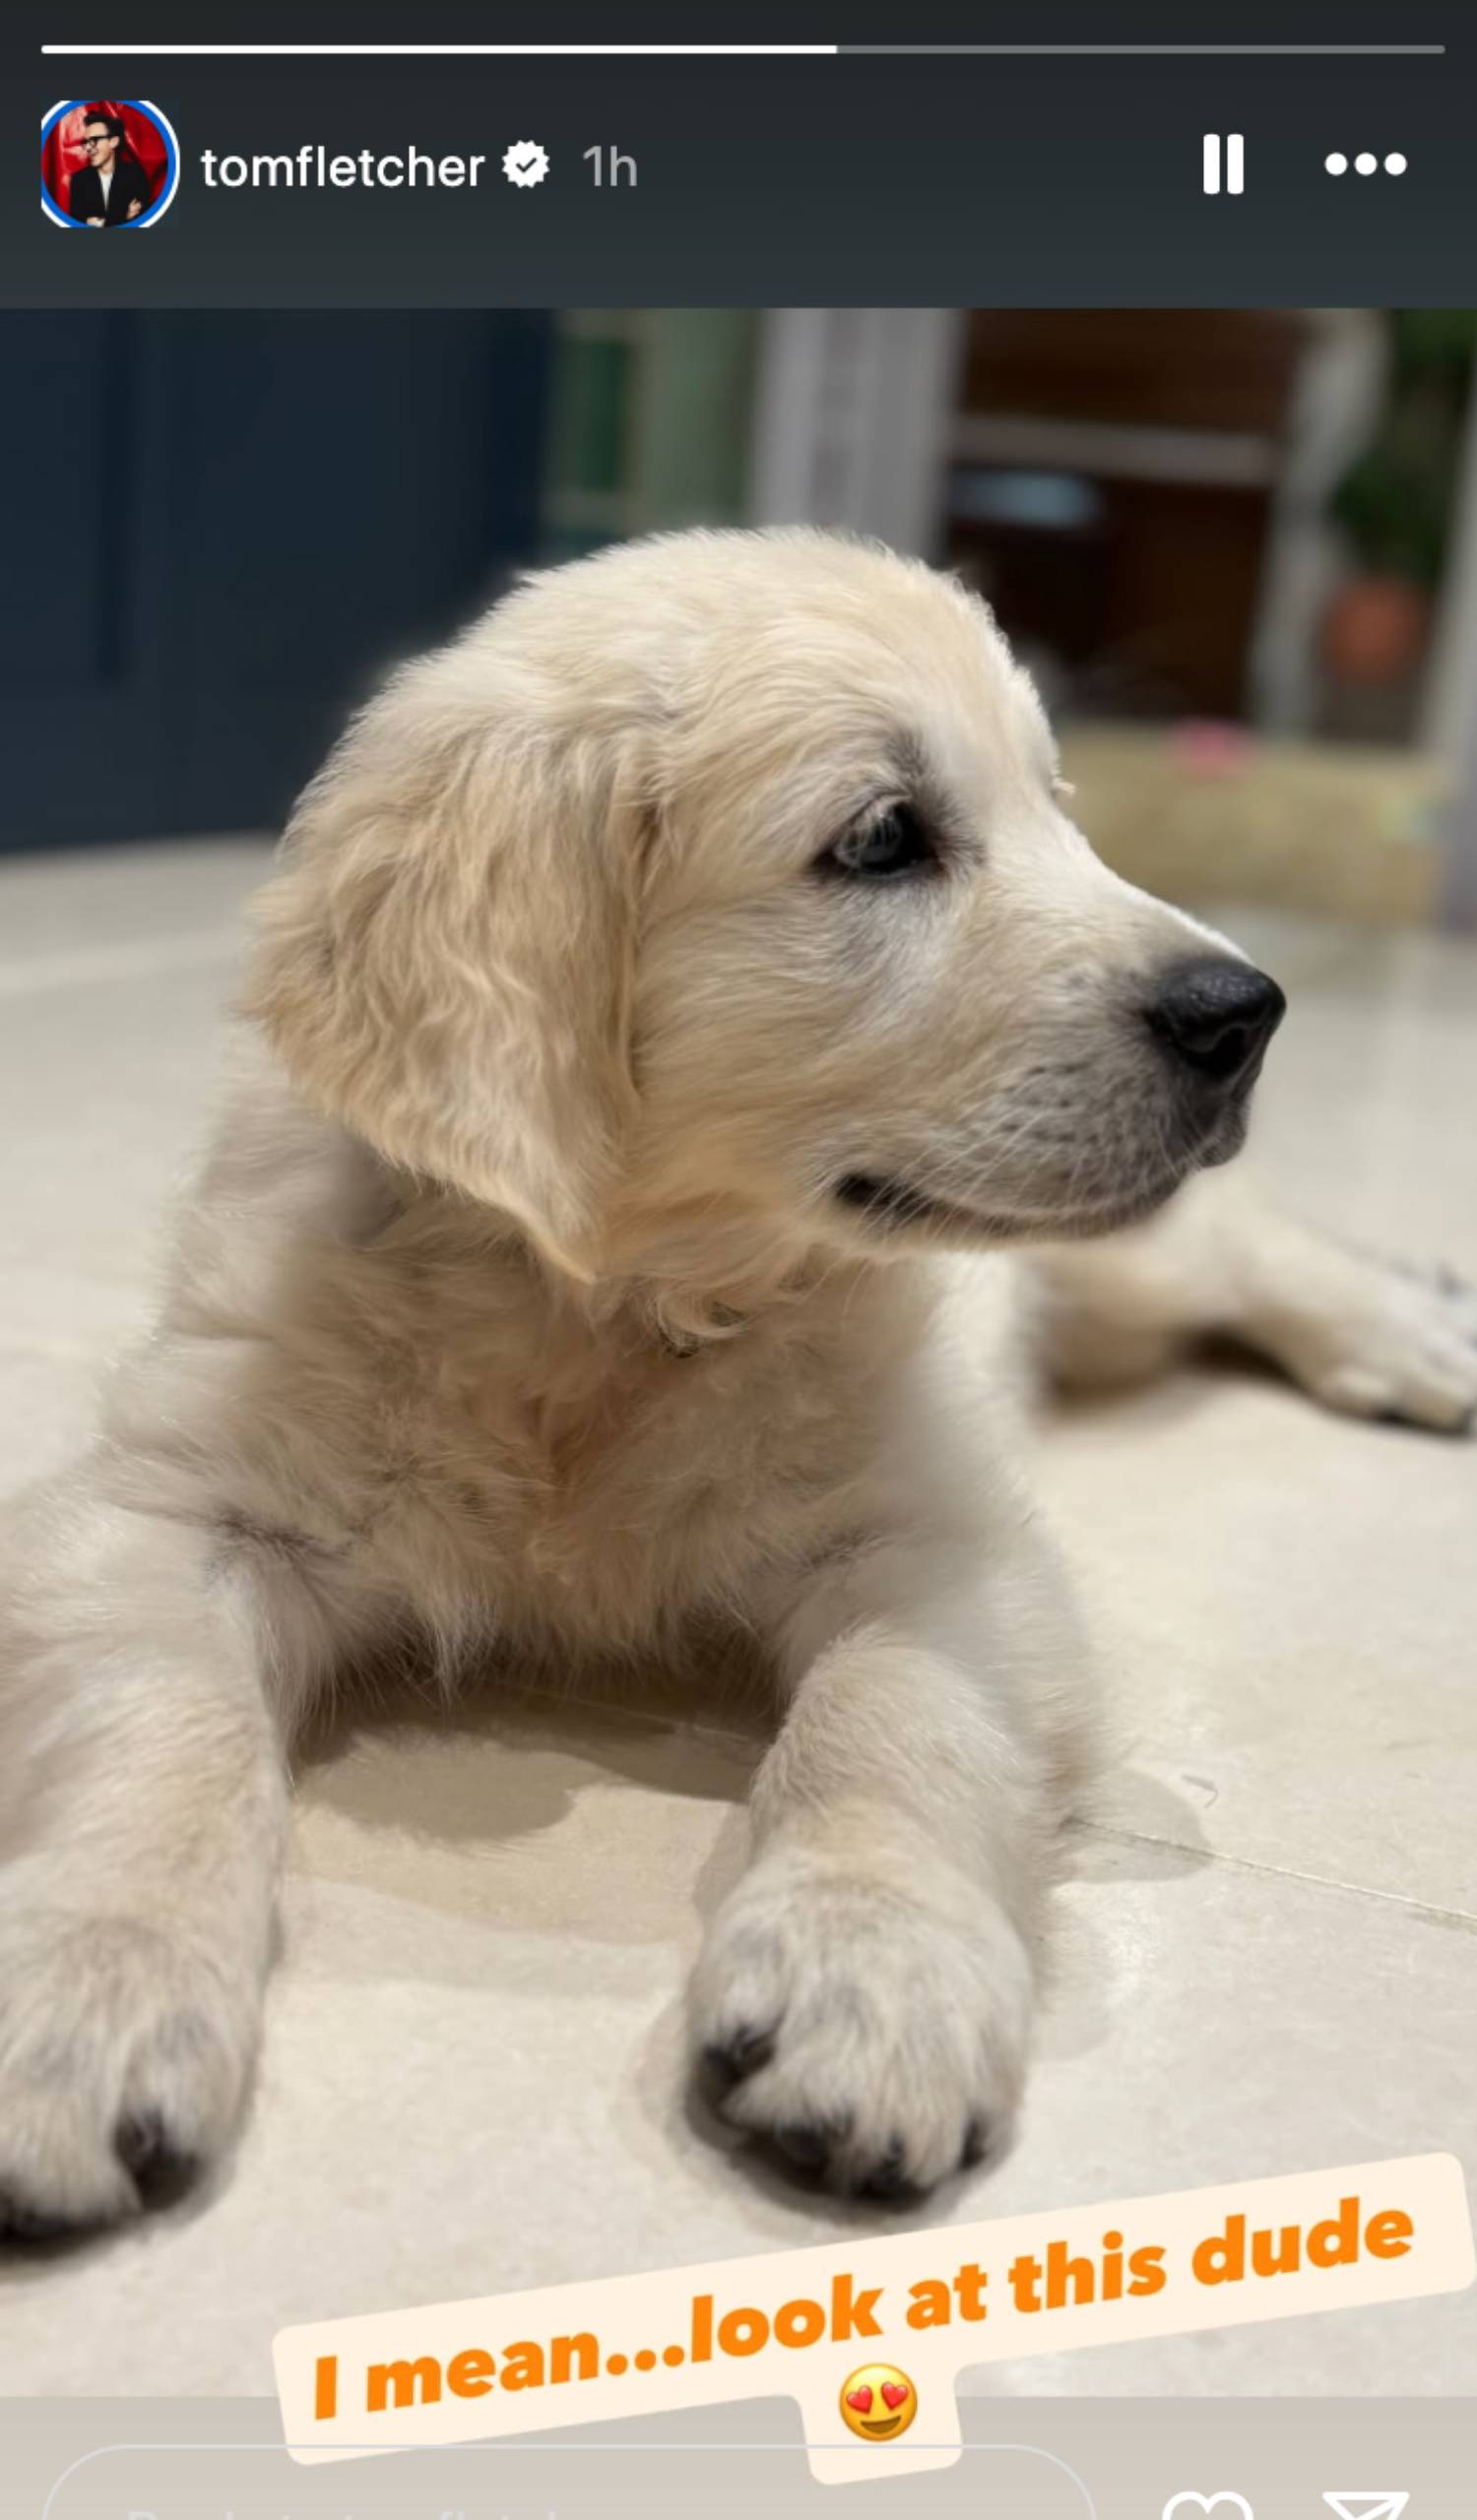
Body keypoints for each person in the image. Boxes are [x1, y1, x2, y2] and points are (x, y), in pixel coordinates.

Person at [68, 109, 152, 227]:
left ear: (113, 142)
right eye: (86, 142)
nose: (87, 147)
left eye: (94, 141)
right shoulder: (79, 180)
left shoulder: (135, 174)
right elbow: (77, 222)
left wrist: (100, 222)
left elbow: (142, 219)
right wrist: (123, 216)